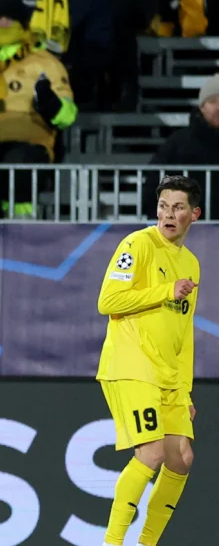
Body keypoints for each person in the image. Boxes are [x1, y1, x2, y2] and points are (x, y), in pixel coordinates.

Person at [96, 175, 201, 546]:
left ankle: (147, 543)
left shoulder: (191, 264)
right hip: (132, 364)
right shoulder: (137, 244)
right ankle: (112, 543)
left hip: (168, 377)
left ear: (194, 214)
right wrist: (165, 291)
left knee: (181, 458)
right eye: (163, 206)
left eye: (178, 208)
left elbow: (183, 334)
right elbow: (107, 301)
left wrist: (185, 390)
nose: (168, 215)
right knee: (152, 452)